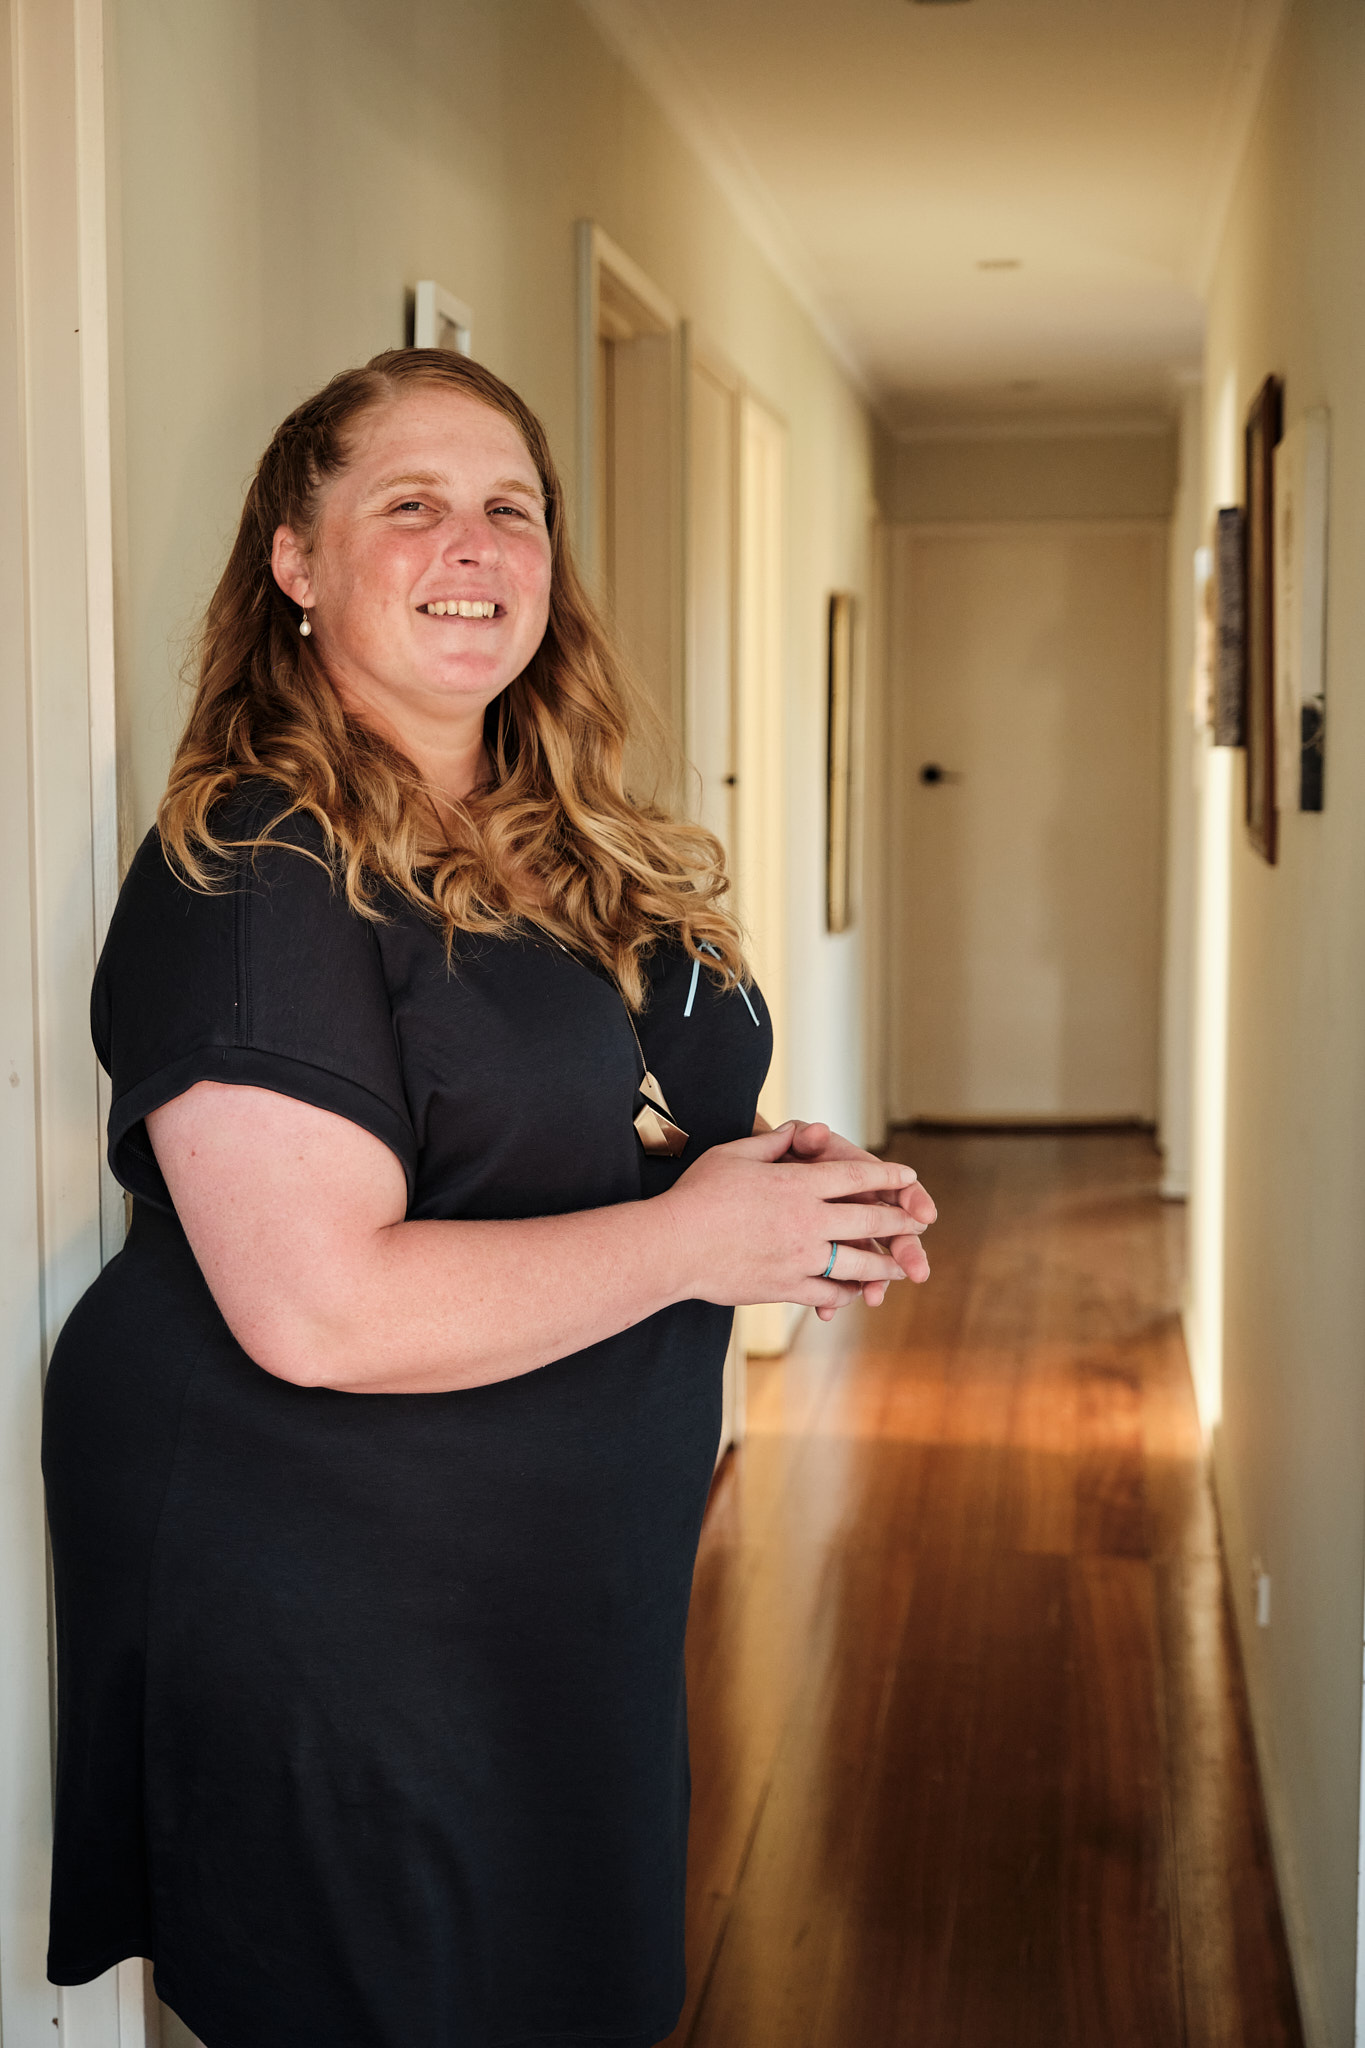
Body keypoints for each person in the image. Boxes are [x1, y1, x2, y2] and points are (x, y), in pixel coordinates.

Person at [42, 347, 935, 2048]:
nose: (474, 544)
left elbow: (593, 1123)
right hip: (342, 1581)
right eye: (412, 504)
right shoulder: (260, 864)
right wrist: (692, 1238)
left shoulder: (584, 837)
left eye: (510, 508)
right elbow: (317, 1310)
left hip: (565, 1572)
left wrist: (774, 1191)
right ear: (296, 562)